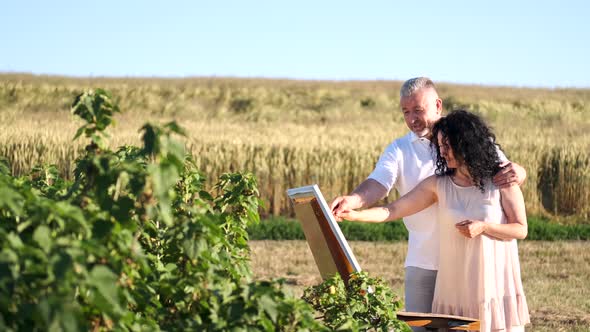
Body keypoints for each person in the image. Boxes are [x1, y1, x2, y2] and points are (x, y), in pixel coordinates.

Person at [330, 77, 526, 330]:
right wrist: (353, 203)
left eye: (418, 110)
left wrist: (521, 172)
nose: (412, 119)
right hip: (424, 260)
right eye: (406, 112)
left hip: (474, 264)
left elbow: (505, 173)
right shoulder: (401, 150)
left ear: (437, 105)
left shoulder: (472, 140)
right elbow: (381, 187)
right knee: (420, 328)